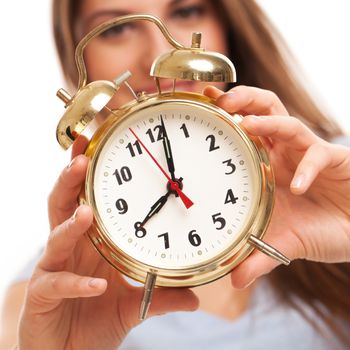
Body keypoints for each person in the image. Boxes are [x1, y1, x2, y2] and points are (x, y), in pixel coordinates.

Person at [1, 0, 350, 349]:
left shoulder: (328, 175)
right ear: (78, 59)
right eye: (117, 29)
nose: (160, 58)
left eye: (186, 11)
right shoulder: (63, 290)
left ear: (228, 27)